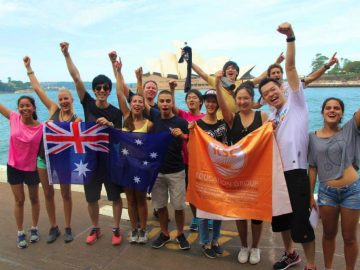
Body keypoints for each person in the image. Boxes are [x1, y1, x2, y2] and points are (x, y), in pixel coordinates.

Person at [258, 22, 316, 270]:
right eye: (266, 93)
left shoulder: (296, 103)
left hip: (296, 173)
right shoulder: (270, 118)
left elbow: (290, 67)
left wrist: (290, 37)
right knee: (281, 221)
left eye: (274, 89)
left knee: (301, 223)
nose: (271, 94)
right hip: (276, 176)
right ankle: (290, 254)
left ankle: (311, 264)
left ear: (281, 88)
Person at [60, 42, 124, 246]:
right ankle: (96, 228)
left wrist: (111, 125)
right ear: (94, 90)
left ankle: (115, 228)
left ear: (109, 90)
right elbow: (76, 78)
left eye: (106, 88)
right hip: (89, 161)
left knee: (115, 197)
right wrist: (67, 54)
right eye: (98, 88)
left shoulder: (115, 112)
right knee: (91, 198)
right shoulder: (87, 103)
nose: (102, 90)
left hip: (110, 160)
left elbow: (120, 136)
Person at [23, 56, 81, 243]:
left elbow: (80, 144)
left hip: (63, 161)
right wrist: (29, 68)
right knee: (47, 193)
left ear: (72, 100)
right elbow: (38, 90)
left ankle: (68, 227)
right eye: (60, 98)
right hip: (43, 158)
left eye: (66, 99)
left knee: (66, 194)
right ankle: (54, 227)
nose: (63, 101)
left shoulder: (77, 121)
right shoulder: (53, 110)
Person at [215, 74, 268, 264]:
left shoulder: (262, 116)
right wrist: (216, 83)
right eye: (239, 98)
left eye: (246, 98)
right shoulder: (231, 118)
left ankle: (255, 247)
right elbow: (221, 104)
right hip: (237, 173)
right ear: (235, 101)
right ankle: (244, 246)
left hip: (257, 173)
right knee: (240, 213)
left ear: (252, 100)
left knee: (255, 214)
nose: (243, 101)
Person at [308, 98, 360, 270]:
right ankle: (328, 268)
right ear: (322, 112)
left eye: (337, 108)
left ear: (342, 113)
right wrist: (310, 196)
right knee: (329, 234)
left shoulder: (350, 129)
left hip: (352, 191)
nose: (332, 110)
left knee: (349, 237)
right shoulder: (313, 137)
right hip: (326, 193)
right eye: (328, 108)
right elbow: (313, 168)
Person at [113, 55, 153, 244]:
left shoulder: (149, 124)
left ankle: (143, 229)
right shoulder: (125, 119)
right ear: (130, 105)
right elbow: (120, 93)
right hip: (126, 166)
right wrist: (118, 71)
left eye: (140, 101)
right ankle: (134, 228)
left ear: (143, 104)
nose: (136, 103)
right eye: (134, 101)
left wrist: (139, 81)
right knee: (130, 200)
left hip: (141, 168)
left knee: (141, 199)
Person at [144, 90, 190, 250]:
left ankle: (180, 233)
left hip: (176, 171)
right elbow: (139, 101)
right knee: (161, 206)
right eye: (161, 101)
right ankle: (164, 233)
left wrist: (183, 136)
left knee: (179, 206)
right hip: (158, 171)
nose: (164, 104)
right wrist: (139, 80)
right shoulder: (155, 117)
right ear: (158, 103)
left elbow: (191, 140)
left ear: (172, 103)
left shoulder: (181, 122)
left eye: (167, 101)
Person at [188, 89, 229, 259]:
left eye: (214, 101)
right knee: (203, 210)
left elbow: (227, 147)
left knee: (218, 209)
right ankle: (205, 242)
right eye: (208, 101)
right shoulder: (197, 126)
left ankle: (215, 241)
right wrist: (190, 132)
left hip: (220, 172)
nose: (210, 104)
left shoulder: (223, 124)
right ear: (204, 102)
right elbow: (192, 149)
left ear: (218, 104)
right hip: (203, 173)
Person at [184, 49, 283, 118]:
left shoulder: (242, 85)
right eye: (228, 68)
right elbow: (202, 73)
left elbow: (261, 77)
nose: (230, 70)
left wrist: (277, 63)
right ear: (224, 72)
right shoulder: (217, 81)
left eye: (233, 68)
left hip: (236, 120)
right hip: (220, 120)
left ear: (237, 72)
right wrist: (189, 61)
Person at [0, 96, 43, 248]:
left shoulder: (41, 127)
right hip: (14, 167)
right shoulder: (14, 118)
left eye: (28, 105)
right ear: (18, 108)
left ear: (34, 108)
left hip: (32, 168)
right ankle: (20, 232)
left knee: (34, 199)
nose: (25, 108)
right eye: (22, 106)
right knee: (19, 201)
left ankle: (34, 228)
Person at [169, 81, 205, 231]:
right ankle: (196, 218)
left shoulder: (205, 117)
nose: (191, 100)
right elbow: (172, 107)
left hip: (201, 162)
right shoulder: (184, 116)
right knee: (191, 192)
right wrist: (172, 90)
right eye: (189, 98)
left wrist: (184, 136)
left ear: (201, 101)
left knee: (203, 192)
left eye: (194, 97)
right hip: (185, 161)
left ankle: (207, 218)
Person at [254, 52, 338, 109]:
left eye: (278, 72)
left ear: (282, 74)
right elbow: (256, 105)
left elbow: (311, 78)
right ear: (269, 76)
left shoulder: (292, 85)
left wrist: (327, 65)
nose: (276, 74)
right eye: (273, 73)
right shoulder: (268, 93)